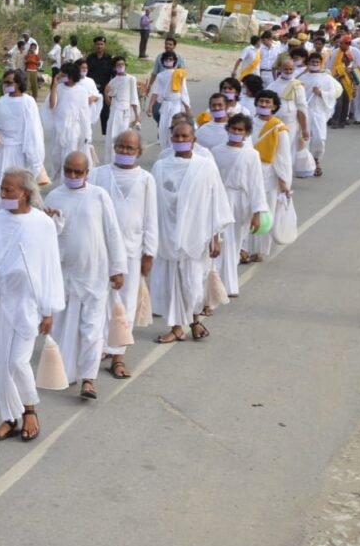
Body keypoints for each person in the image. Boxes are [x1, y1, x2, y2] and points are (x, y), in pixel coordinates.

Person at [0, 169, 63, 442]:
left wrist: (48, 310)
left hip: (29, 303)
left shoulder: (42, 224)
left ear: (25, 192)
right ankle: (9, 418)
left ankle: (29, 410)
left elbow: (50, 268)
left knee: (17, 361)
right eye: (2, 189)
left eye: (8, 190)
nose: (3, 195)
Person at [44, 152, 126, 399]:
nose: (71, 176)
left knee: (91, 328)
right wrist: (52, 222)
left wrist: (117, 268)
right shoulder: (54, 196)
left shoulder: (98, 196)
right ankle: (62, 373)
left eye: (77, 172)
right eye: (68, 170)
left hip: (95, 274)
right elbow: (46, 236)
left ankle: (88, 379)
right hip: (64, 274)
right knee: (61, 327)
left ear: (87, 173)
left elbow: (112, 232)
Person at [150, 122, 233, 343]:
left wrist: (216, 237)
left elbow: (216, 201)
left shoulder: (205, 166)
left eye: (185, 136)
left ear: (193, 140)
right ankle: (178, 326)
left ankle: (194, 320)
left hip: (198, 233)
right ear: (171, 138)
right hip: (168, 233)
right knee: (172, 281)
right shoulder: (161, 166)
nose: (180, 140)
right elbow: (154, 201)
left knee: (194, 281)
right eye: (176, 136)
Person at [89, 131, 157, 378]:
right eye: (121, 147)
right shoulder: (98, 174)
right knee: (99, 303)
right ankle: (98, 349)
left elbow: (151, 219)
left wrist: (149, 254)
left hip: (131, 252)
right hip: (101, 251)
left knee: (124, 305)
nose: (125, 152)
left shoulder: (146, 179)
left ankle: (118, 356)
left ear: (139, 152)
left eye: (130, 148)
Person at [211, 115, 268, 297]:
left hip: (241, 202)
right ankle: (218, 282)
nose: (236, 132)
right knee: (220, 240)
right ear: (228, 129)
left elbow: (256, 184)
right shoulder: (216, 151)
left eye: (240, 130)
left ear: (247, 133)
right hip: (220, 199)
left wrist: (256, 212)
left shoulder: (252, 155)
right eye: (234, 129)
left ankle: (228, 283)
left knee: (234, 243)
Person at [245, 90, 292, 263]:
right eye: (261, 101)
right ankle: (244, 248)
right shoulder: (247, 124)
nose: (264, 105)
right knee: (247, 210)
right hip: (249, 172)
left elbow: (283, 158)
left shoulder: (279, 128)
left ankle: (260, 250)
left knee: (265, 211)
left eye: (268, 102)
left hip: (269, 175)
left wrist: (283, 182)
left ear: (275, 106)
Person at [0, 69, 44, 199]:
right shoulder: (1, 101)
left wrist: (33, 155)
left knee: (16, 186)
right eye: (4, 82)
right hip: (2, 149)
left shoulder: (28, 102)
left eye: (9, 82)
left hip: (20, 151)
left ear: (19, 83)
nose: (6, 85)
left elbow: (33, 131)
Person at [47, 63, 93, 181]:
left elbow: (84, 114)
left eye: (65, 74)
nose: (63, 77)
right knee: (57, 157)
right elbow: (52, 105)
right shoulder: (59, 88)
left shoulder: (81, 91)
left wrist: (87, 134)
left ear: (71, 75)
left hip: (73, 130)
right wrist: (54, 86)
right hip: (59, 129)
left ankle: (67, 182)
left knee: (69, 155)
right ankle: (62, 179)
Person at [300, 51, 342, 174]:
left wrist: (321, 93)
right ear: (308, 63)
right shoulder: (302, 79)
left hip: (319, 113)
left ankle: (317, 159)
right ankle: (307, 165)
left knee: (319, 139)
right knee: (305, 139)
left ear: (321, 63)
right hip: (305, 113)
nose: (315, 64)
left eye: (317, 62)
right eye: (313, 62)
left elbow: (333, 94)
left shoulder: (327, 78)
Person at [146, 50, 192, 150]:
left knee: (173, 127)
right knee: (163, 129)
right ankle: (165, 152)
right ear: (163, 61)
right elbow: (155, 92)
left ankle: (175, 150)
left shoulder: (179, 74)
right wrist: (150, 106)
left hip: (176, 104)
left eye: (170, 59)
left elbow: (184, 92)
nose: (168, 61)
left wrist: (188, 108)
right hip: (165, 104)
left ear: (174, 61)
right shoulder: (160, 76)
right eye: (166, 59)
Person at [104, 56, 141, 161]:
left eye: (122, 64)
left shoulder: (131, 79)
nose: (120, 67)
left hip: (125, 112)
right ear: (114, 68)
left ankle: (125, 159)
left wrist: (137, 116)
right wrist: (106, 93)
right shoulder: (112, 81)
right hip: (114, 111)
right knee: (112, 136)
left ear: (125, 66)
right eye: (118, 65)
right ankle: (112, 161)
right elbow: (108, 102)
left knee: (124, 136)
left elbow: (134, 98)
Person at [274, 56, 310, 159]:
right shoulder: (273, 86)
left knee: (286, 150)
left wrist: (304, 128)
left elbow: (302, 108)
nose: (289, 71)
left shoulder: (297, 86)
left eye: (291, 69)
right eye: (286, 69)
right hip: (275, 123)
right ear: (280, 69)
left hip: (291, 123)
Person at [86, 35, 114, 135]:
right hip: (91, 89)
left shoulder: (109, 59)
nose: (99, 46)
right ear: (95, 45)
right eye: (98, 44)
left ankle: (106, 133)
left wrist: (110, 88)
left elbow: (113, 75)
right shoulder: (90, 58)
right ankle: (86, 131)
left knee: (105, 111)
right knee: (88, 110)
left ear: (104, 45)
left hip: (104, 88)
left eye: (101, 44)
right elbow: (86, 72)